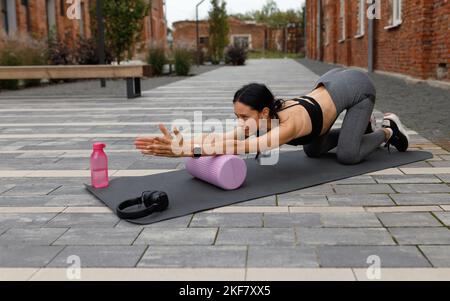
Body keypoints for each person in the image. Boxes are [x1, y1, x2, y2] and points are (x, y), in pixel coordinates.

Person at [135, 68, 409, 164]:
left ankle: (387, 129)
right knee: (313, 151)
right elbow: (224, 136)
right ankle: (359, 130)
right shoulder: (263, 117)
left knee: (348, 156)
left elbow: (242, 146)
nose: (240, 122)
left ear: (264, 112)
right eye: (237, 116)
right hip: (329, 83)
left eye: (244, 116)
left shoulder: (288, 125)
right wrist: (180, 142)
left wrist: (186, 153)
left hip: (356, 87)